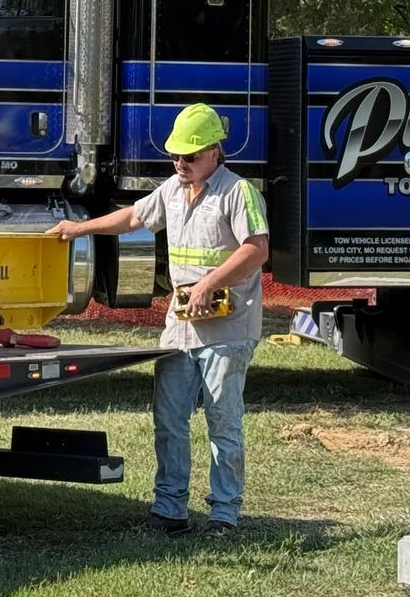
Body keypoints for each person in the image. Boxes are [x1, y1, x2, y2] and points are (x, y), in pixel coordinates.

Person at [47, 103, 268, 537]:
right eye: (175, 156)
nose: (180, 163)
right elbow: (134, 216)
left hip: (227, 329)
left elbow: (256, 249)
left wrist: (209, 283)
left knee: (223, 424)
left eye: (190, 156)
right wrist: (79, 228)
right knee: (168, 421)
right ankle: (169, 511)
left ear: (215, 152)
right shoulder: (172, 189)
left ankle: (223, 516)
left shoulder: (238, 192)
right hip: (181, 327)